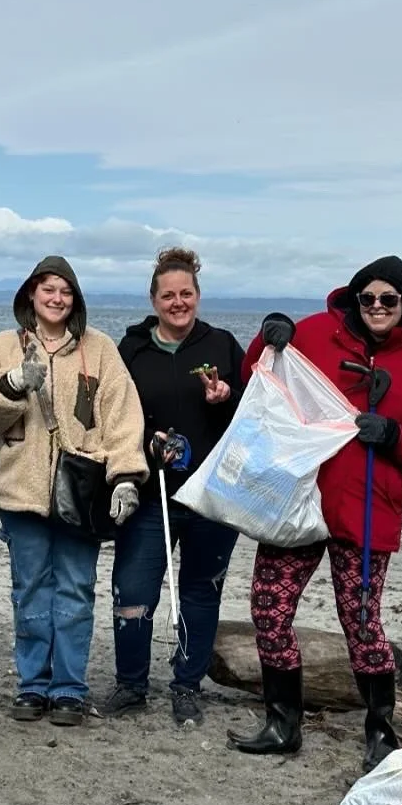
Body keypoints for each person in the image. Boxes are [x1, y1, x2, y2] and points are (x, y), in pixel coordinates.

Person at [231, 257, 402, 769]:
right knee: (269, 610)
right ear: (355, 299)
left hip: (367, 512)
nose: (377, 307)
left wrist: (393, 434)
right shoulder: (313, 334)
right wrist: (267, 336)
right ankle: (282, 723)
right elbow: (256, 379)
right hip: (297, 500)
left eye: (389, 299)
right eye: (367, 297)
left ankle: (380, 731)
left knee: (362, 622)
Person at [0, 256, 148, 727]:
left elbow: (122, 414)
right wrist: (12, 383)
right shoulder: (4, 346)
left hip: (82, 494)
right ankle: (32, 685)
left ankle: (68, 688)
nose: (56, 298)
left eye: (65, 291)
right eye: (48, 289)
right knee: (29, 590)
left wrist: (126, 476)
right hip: (20, 492)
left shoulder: (99, 349)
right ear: (31, 293)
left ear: (75, 299)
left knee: (76, 590)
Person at [106, 247, 248, 728]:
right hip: (151, 493)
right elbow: (113, 414)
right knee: (133, 591)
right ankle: (131, 684)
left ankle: (187, 686)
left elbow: (252, 417)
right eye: (168, 295)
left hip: (211, 495)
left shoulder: (222, 346)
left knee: (200, 594)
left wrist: (225, 398)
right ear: (154, 300)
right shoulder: (132, 350)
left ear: (198, 296)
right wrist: (148, 440)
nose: (178, 302)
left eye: (186, 293)